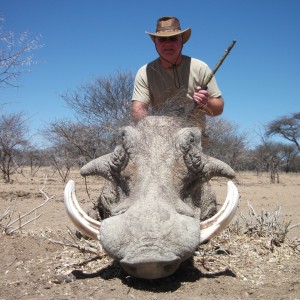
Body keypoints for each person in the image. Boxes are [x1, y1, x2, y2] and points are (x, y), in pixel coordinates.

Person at [131, 16, 224, 133]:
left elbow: (218, 109)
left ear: (182, 41)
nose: (168, 44)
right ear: (155, 42)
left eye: (173, 38)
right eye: (162, 39)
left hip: (194, 140)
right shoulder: (144, 72)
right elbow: (138, 109)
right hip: (159, 138)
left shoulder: (200, 67)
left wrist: (205, 103)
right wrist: (148, 130)